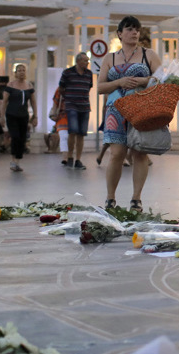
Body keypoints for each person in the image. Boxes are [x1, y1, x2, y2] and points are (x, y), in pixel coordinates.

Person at [99, 16, 162, 210]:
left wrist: (143, 81)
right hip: (115, 111)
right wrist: (119, 82)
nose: (134, 32)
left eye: (137, 29)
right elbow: (100, 86)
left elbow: (163, 79)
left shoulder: (148, 54)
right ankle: (110, 198)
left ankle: (136, 198)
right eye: (129, 29)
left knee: (139, 152)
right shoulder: (109, 58)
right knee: (116, 153)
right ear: (119, 34)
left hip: (140, 108)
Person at [58, 52, 94, 170]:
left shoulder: (89, 74)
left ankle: (78, 159)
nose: (87, 63)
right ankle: (69, 156)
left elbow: (88, 87)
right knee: (72, 131)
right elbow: (61, 88)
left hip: (84, 106)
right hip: (71, 105)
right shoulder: (67, 73)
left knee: (81, 134)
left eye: (88, 60)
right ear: (78, 61)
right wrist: (68, 98)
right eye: (85, 60)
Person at [2, 63, 36, 173]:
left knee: (22, 138)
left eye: (23, 70)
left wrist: (35, 115)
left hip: (23, 115)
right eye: (19, 70)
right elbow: (4, 102)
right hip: (12, 115)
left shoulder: (29, 85)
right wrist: (1, 116)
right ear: (15, 73)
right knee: (15, 136)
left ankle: (17, 161)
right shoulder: (11, 85)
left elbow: (33, 101)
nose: (21, 72)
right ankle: (13, 160)